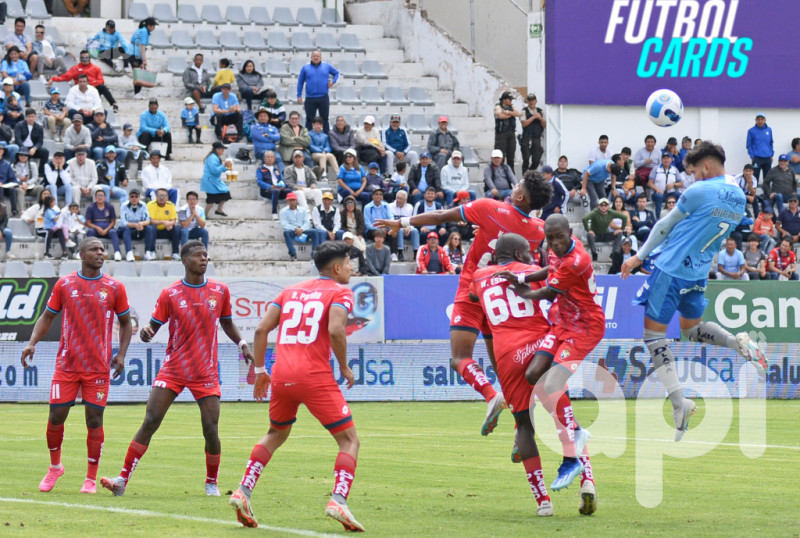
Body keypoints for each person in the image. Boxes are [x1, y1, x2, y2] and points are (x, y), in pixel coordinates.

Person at [375, 171, 552, 434]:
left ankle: (491, 395)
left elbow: (440, 216)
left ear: (520, 196)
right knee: (503, 368)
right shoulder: (538, 230)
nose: (514, 186)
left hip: (474, 289)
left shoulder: (490, 208)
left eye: (518, 185)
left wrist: (401, 222)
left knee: (459, 358)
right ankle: (521, 425)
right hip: (503, 299)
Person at [620, 142, 768, 441]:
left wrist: (638, 256)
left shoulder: (700, 190)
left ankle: (680, 403)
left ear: (706, 167)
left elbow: (664, 225)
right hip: (699, 272)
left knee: (653, 336)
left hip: (672, 269)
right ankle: (735, 341)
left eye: (695, 172)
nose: (694, 178)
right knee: (691, 329)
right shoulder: (739, 195)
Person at [102, 240, 254, 497]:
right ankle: (122, 480)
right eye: (198, 255)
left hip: (205, 371)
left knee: (211, 428)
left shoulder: (220, 291)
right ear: (185, 260)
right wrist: (147, 332)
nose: (204, 259)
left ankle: (211, 482)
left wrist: (243, 344)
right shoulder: (170, 293)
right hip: (174, 369)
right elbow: (153, 326)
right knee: (150, 420)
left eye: (206, 255)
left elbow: (227, 323)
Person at [229, 241, 363, 531]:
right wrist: (343, 366)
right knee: (349, 440)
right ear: (336, 268)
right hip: (314, 375)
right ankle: (339, 500)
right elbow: (336, 330)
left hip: (281, 375)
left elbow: (262, 329)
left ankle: (243, 491)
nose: (351, 268)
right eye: (348, 263)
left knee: (275, 433)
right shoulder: (340, 292)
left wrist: (261, 371)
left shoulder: (289, 291)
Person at [493, 215, 599, 496]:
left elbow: (550, 291)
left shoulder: (577, 260)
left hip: (584, 328)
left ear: (570, 232)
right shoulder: (555, 251)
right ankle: (575, 434)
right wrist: (521, 277)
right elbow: (548, 270)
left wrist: (524, 291)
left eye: (559, 237)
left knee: (552, 384)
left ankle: (572, 450)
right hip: (561, 323)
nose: (554, 243)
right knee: (532, 374)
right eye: (550, 238)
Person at [21, 237, 131, 494]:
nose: (100, 253)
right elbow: (47, 316)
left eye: (102, 249)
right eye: (94, 249)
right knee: (55, 416)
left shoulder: (114, 287)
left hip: (98, 367)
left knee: (94, 420)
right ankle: (55, 467)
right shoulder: (65, 284)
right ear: (81, 254)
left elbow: (126, 323)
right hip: (67, 365)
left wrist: (122, 354)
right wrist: (32, 342)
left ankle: (90, 478)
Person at [469, 233, 557, 517]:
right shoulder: (530, 270)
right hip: (538, 345)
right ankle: (584, 477)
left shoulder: (479, 276)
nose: (531, 256)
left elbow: (472, 296)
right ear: (519, 255)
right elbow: (554, 287)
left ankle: (543, 500)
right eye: (528, 252)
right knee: (561, 414)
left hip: (507, 354)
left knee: (523, 426)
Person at [49, 51, 118, 112]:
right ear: (80, 58)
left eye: (86, 58)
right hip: (80, 90)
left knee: (102, 87)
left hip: (93, 89)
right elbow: (66, 77)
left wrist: (92, 85)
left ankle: (114, 104)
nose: (85, 60)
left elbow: (101, 81)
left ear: (89, 58)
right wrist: (53, 79)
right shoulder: (75, 68)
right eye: (83, 58)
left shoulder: (96, 68)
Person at [296, 49, 338, 132]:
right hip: (310, 98)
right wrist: (299, 95)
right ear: (311, 57)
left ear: (321, 57)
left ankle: (326, 137)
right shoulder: (305, 68)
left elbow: (336, 73)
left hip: (323, 97)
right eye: (314, 56)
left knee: (325, 119)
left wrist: (333, 81)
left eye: (317, 56)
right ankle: (308, 137)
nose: (316, 57)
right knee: (309, 119)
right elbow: (300, 82)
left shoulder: (326, 66)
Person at [280, 192, 324, 261]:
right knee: (286, 232)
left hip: (303, 229)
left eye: (293, 200)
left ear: (296, 200)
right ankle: (293, 254)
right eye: (290, 200)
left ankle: (314, 255)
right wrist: (295, 228)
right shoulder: (283, 211)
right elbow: (284, 224)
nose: (292, 202)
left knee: (315, 232)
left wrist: (302, 229)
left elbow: (307, 222)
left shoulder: (303, 210)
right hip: (292, 230)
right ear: (287, 201)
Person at [85, 189, 122, 261]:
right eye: (98, 195)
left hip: (107, 229)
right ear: (95, 197)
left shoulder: (110, 206)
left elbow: (113, 222)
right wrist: (97, 228)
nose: (100, 197)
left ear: (105, 197)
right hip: (96, 229)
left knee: (113, 232)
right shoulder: (91, 207)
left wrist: (106, 229)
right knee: (90, 231)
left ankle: (117, 252)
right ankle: (89, 252)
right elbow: (88, 222)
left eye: (101, 195)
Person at [145, 188, 181, 260]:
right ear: (156, 196)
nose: (161, 198)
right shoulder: (150, 205)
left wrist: (170, 224)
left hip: (166, 230)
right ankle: (152, 251)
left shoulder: (171, 205)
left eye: (164, 196)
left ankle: (175, 253)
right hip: (155, 230)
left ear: (167, 197)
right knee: (151, 228)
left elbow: (173, 220)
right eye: (159, 195)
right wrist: (164, 222)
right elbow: (151, 221)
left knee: (177, 228)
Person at [125, 17, 157, 97]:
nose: (154, 28)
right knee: (138, 74)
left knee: (139, 73)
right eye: (153, 26)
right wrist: (144, 60)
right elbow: (142, 47)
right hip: (133, 54)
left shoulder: (143, 31)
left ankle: (138, 93)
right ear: (149, 26)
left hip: (135, 54)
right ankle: (137, 94)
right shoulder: (144, 32)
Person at [118, 189, 152, 261]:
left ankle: (148, 252)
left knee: (149, 228)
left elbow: (148, 220)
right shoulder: (124, 205)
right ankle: (129, 253)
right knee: (126, 229)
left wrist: (141, 224)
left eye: (136, 196)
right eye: (132, 196)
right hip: (127, 229)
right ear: (129, 197)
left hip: (139, 228)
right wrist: (135, 225)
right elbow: (123, 222)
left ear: (139, 197)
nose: (134, 198)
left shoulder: (143, 205)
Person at [201, 141, 232, 217]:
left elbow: (218, 169)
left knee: (226, 194)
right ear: (217, 149)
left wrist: (226, 168)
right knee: (211, 199)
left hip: (214, 181)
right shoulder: (212, 158)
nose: (223, 151)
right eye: (222, 149)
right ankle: (205, 215)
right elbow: (214, 170)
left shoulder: (215, 157)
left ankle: (219, 210)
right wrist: (224, 165)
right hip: (210, 181)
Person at [363, 187, 398, 252]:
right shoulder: (367, 207)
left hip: (385, 228)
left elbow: (391, 217)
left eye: (380, 194)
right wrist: (379, 228)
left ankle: (394, 253)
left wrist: (390, 226)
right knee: (378, 233)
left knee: (393, 232)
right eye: (376, 194)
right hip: (372, 230)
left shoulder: (386, 205)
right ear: (372, 196)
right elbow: (367, 224)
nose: (379, 196)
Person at [648, 151, 681, 219]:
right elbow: (650, 183)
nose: (666, 160)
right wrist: (657, 189)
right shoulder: (656, 169)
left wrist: (674, 184)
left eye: (668, 158)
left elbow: (680, 183)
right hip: (658, 193)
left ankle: (678, 216)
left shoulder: (674, 169)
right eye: (664, 158)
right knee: (658, 196)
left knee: (680, 195)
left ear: (671, 159)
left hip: (671, 193)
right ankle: (659, 218)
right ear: (661, 159)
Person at [256, 150, 289, 220]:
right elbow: (259, 182)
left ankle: (290, 212)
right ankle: (274, 213)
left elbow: (282, 180)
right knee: (275, 191)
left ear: (274, 159)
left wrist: (283, 186)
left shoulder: (276, 169)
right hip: (267, 190)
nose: (269, 159)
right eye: (268, 157)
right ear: (264, 159)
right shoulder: (260, 169)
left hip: (278, 189)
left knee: (289, 191)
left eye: (271, 157)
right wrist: (270, 186)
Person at [388, 189, 418, 261]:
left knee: (415, 231)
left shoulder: (410, 207)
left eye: (401, 199)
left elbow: (412, 220)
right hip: (396, 228)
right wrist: (402, 227)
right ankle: (400, 252)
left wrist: (409, 228)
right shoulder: (390, 206)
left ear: (405, 200)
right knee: (400, 230)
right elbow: (390, 221)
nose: (398, 200)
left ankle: (416, 252)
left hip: (407, 228)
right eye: (397, 198)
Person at [520, 93, 546, 173]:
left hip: (536, 138)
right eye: (529, 100)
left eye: (533, 100)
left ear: (536, 101)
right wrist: (534, 117)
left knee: (536, 159)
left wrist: (540, 118)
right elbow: (524, 124)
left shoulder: (540, 111)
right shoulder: (524, 111)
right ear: (527, 101)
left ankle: (530, 173)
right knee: (526, 159)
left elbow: (544, 125)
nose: (531, 102)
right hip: (526, 137)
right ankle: (525, 175)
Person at [494, 92, 519, 171]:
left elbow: (517, 113)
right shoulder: (498, 106)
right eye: (509, 99)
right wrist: (512, 114)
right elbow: (500, 116)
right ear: (504, 100)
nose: (511, 101)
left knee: (511, 155)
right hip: (501, 133)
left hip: (511, 133)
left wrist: (507, 112)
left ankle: (511, 173)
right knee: (500, 155)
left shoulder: (512, 106)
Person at [746, 112, 774, 183]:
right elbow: (749, 145)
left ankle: (766, 190)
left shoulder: (769, 130)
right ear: (755, 120)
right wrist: (752, 156)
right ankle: (753, 190)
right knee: (755, 178)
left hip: (767, 158)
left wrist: (771, 154)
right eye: (758, 119)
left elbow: (771, 142)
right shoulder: (751, 131)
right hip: (757, 158)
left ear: (765, 120)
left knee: (767, 178)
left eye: (762, 119)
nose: (760, 121)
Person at [42, 194, 68, 259]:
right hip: (48, 229)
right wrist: (61, 214)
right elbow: (54, 219)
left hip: (53, 229)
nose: (54, 203)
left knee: (60, 231)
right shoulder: (47, 211)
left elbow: (58, 213)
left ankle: (65, 253)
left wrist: (61, 212)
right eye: (53, 202)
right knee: (49, 232)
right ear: (49, 203)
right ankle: (46, 253)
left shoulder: (53, 210)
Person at [0, 142, 18, 216]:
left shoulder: (7, 164)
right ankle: (2, 211)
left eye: (1, 149)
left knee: (12, 189)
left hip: (5, 186)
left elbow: (12, 178)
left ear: (3, 151)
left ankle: (14, 211)